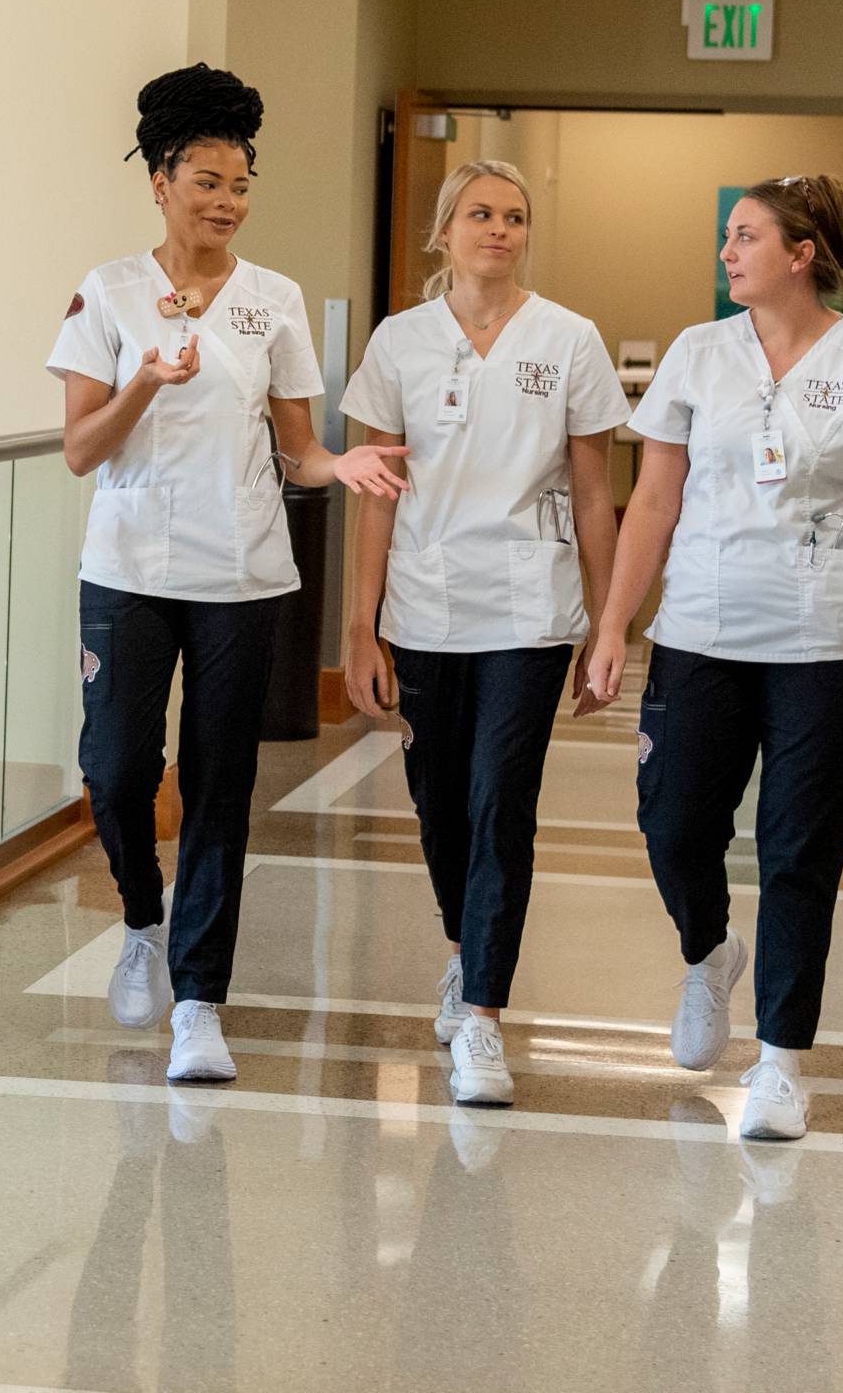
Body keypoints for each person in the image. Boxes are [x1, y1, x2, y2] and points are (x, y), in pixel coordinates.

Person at [51, 63, 410, 1086]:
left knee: (221, 783)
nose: (226, 200)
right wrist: (142, 384)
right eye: (206, 179)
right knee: (117, 768)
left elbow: (296, 447)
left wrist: (337, 463)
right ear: (158, 180)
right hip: (125, 567)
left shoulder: (273, 301)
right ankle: (140, 920)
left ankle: (199, 1000)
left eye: (239, 183)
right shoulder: (107, 292)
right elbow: (80, 449)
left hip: (242, 574)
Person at [583, 174, 843, 1141]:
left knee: (798, 851)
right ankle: (708, 953)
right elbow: (652, 502)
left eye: (745, 238)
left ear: (802, 255)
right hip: (702, 632)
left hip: (833, 646)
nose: (727, 253)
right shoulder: (699, 356)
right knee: (672, 824)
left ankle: (782, 1061)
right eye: (726, 238)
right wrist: (614, 623)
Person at [339, 159, 628, 1108]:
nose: (497, 230)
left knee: (502, 795)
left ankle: (485, 1023)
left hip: (529, 609)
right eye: (479, 214)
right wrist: (360, 626)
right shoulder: (400, 342)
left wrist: (607, 621)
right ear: (444, 230)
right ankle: (467, 953)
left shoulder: (570, 339)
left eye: (513, 216)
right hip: (424, 605)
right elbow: (376, 494)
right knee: (440, 802)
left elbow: (595, 491)